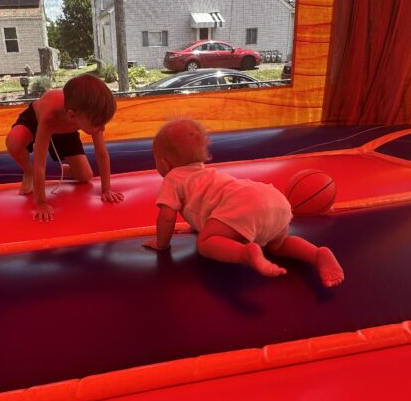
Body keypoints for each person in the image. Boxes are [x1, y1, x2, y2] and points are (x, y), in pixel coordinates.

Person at [144, 118, 344, 286]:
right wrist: (197, 225)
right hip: (271, 197)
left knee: (205, 242)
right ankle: (317, 254)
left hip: (244, 206)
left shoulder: (173, 177)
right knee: (279, 243)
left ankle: (246, 253)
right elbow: (207, 206)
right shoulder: (203, 172)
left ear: (164, 163)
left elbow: (167, 217)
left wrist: (162, 245)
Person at [5, 73, 124, 221]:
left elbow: (101, 153)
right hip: (38, 120)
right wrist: (41, 203)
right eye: (99, 125)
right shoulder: (50, 117)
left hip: (66, 128)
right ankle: (27, 172)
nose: (103, 129)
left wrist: (106, 189)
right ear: (73, 116)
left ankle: (67, 170)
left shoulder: (92, 116)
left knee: (85, 176)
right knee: (14, 142)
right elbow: (40, 164)